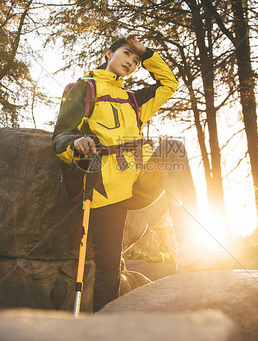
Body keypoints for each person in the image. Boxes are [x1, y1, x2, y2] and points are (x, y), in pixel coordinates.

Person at [52, 35, 230, 312]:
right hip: (105, 189)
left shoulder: (133, 99)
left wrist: (148, 54)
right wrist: (74, 144)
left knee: (172, 149)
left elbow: (169, 84)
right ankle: (105, 329)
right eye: (126, 54)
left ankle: (192, 247)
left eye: (135, 61)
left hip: (138, 179)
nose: (131, 62)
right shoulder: (84, 88)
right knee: (109, 269)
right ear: (107, 53)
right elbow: (60, 134)